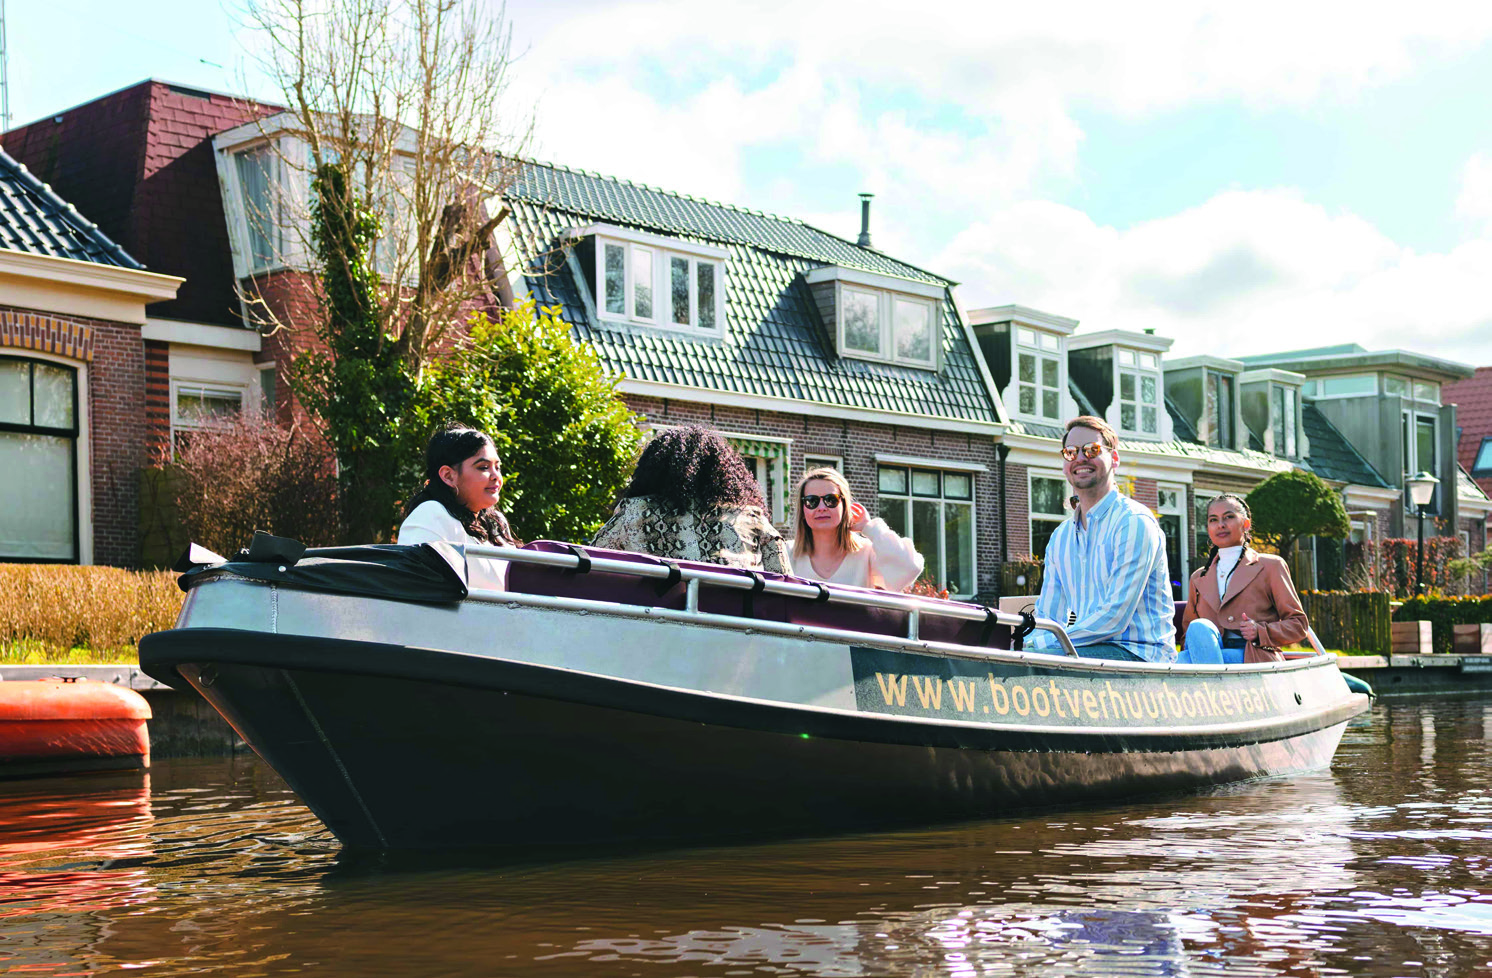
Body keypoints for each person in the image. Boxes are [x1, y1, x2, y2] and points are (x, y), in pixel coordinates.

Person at [1029, 416, 1177, 662]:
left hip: (1140, 656)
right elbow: (1048, 616)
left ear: (1114, 459)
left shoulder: (1134, 522)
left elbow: (1114, 620)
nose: (1080, 458)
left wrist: (1040, 647)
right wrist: (1027, 644)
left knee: (1032, 661)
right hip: (1083, 652)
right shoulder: (1060, 538)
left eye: (1091, 449)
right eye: (1070, 452)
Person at [591, 425, 792, 574]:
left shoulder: (634, 511)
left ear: (654, 470)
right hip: (734, 623)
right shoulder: (750, 517)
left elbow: (593, 561)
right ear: (723, 473)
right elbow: (784, 579)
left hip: (654, 622)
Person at [1180, 493, 1308, 664]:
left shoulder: (1270, 566)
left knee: (1179, 662)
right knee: (1198, 628)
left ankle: (1212, 684)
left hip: (1252, 656)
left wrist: (1260, 631)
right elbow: (1187, 634)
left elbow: (1298, 625)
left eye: (1229, 517)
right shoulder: (1198, 577)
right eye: (1213, 520)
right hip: (1209, 652)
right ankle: (1216, 683)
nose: (1221, 525)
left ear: (1246, 524)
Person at [397, 424, 519, 590]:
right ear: (448, 476)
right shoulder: (430, 515)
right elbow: (417, 590)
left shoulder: (496, 523)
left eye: (497, 467)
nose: (496, 476)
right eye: (483, 467)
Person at [790, 466, 923, 591]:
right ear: (802, 510)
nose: (821, 508)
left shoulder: (867, 553)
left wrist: (871, 528)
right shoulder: (786, 553)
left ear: (845, 505)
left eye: (831, 500)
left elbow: (910, 568)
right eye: (811, 501)